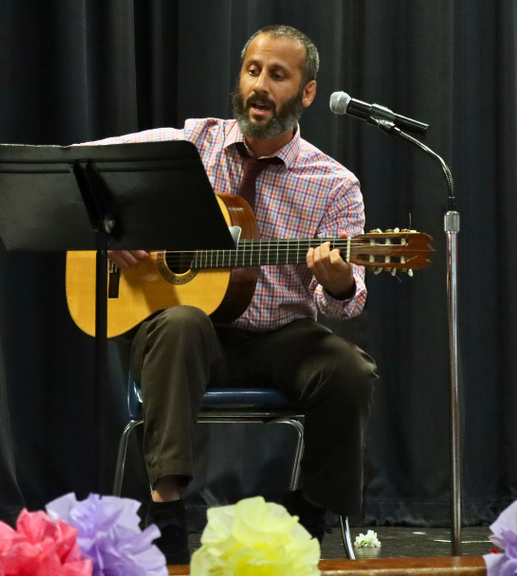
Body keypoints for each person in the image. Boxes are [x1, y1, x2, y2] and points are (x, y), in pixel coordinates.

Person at [90, 25, 378, 564]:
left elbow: (346, 301)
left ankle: (309, 513)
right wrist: (111, 229)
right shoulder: (188, 146)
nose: (260, 86)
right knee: (181, 321)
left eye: (277, 74)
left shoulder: (335, 184)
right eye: (252, 70)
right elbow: (78, 167)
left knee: (348, 370)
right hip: (182, 338)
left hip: (278, 339)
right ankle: (168, 513)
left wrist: (338, 279)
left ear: (307, 92)